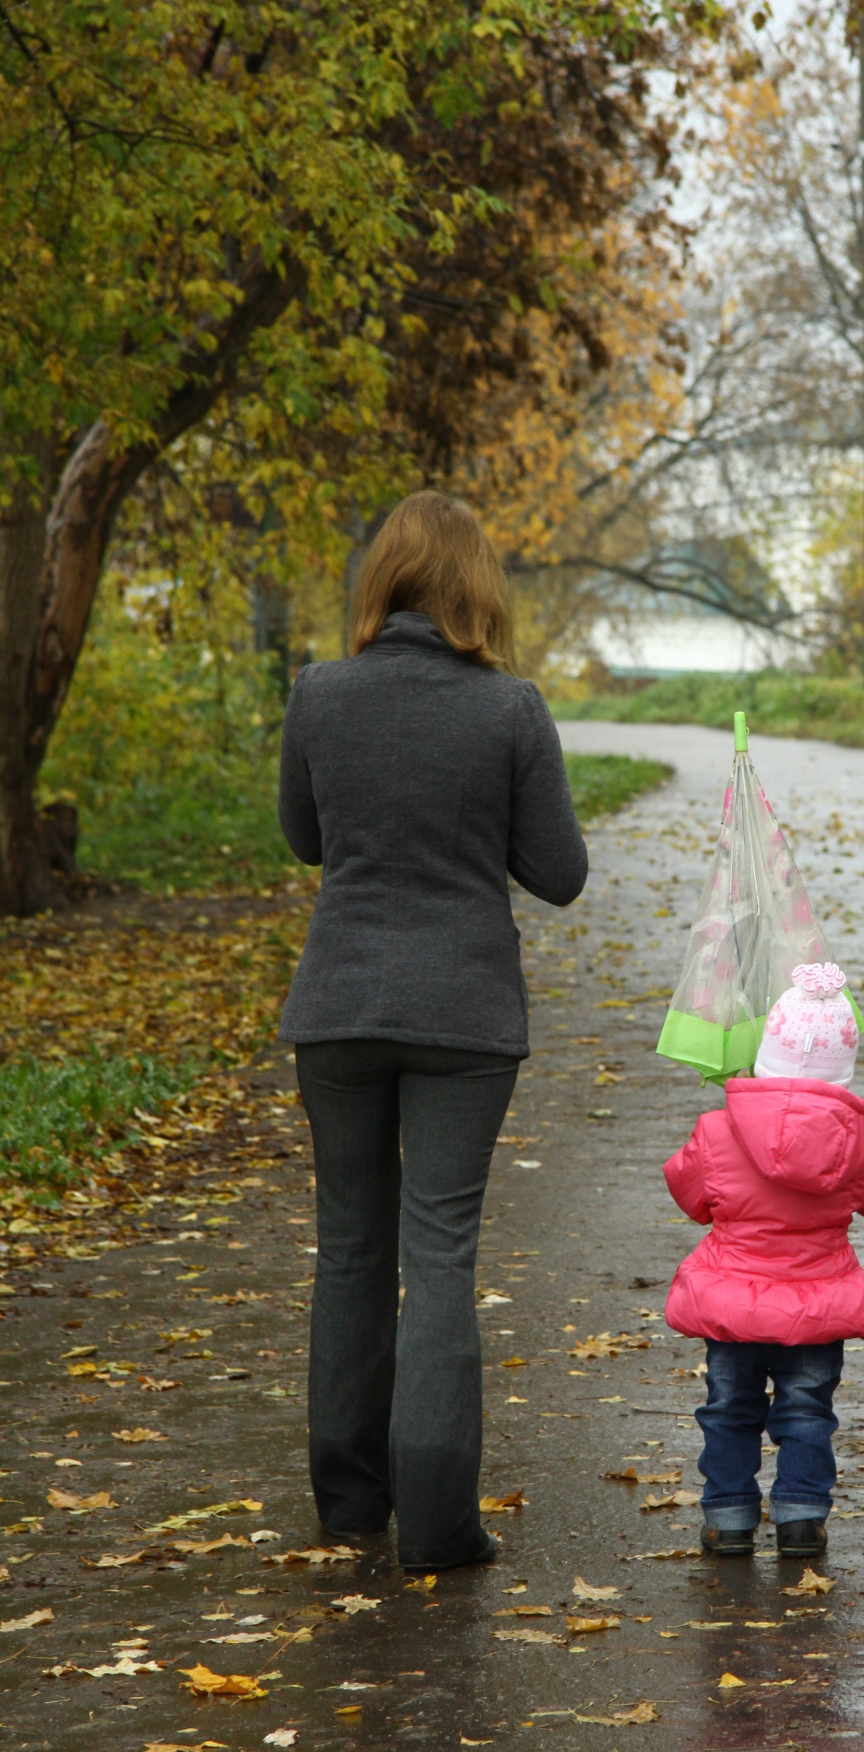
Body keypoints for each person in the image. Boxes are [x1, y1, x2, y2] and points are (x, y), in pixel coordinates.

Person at [276, 490, 588, 1571]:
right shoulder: (512, 710)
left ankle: (350, 1502)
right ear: (476, 588)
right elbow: (560, 874)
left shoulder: (319, 693)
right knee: (440, 1250)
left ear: (382, 581)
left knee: (352, 1245)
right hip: (463, 1012)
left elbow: (303, 837)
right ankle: (441, 1525)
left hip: (341, 1006)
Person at [661, 963, 864, 1558]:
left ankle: (728, 1516)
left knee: (728, 1410)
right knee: (806, 1411)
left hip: (732, 1309)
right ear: (842, 1072)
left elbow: (691, 1197)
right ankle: (800, 1517)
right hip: (816, 1309)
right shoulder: (855, 1143)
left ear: (765, 1052)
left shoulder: (717, 1131)